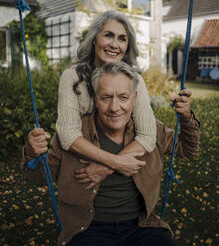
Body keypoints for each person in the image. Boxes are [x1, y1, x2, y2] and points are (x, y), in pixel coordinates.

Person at [23, 62, 200, 246]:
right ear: (94, 98)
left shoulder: (149, 129)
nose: (115, 107)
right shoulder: (75, 134)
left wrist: (186, 117)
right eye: (106, 97)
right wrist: (32, 153)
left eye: (123, 97)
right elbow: (38, 178)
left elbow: (188, 150)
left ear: (135, 98)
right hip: (88, 229)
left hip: (142, 227)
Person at [56, 10, 156, 172]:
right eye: (108, 35)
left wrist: (103, 170)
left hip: (128, 178)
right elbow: (68, 135)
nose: (115, 45)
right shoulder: (72, 77)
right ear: (94, 39)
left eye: (122, 39)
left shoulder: (135, 81)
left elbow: (148, 136)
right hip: (80, 173)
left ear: (127, 46)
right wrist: (114, 163)